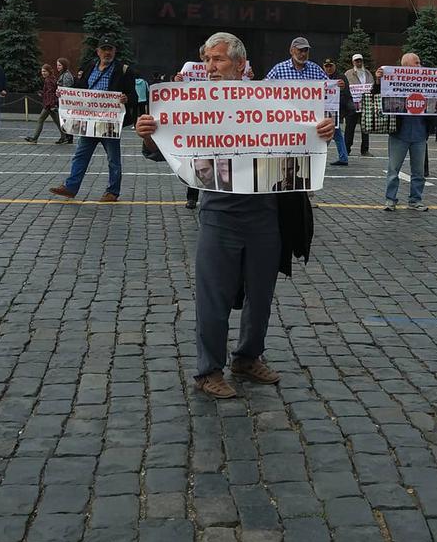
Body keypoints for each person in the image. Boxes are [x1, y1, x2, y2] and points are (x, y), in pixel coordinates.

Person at [135, 31, 334, 399]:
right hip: (218, 212)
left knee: (261, 293)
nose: (210, 67)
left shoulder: (271, 100)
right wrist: (148, 136)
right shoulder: (191, 102)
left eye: (218, 60)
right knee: (214, 295)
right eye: (207, 60)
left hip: (265, 212)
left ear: (240, 65)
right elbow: (161, 150)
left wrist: (323, 131)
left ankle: (247, 356)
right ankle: (208, 370)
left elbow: (306, 137)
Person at [49, 35, 137, 202]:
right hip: (89, 120)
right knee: (80, 155)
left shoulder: (124, 70)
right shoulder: (90, 66)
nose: (107, 53)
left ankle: (112, 191)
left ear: (114, 51)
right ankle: (71, 187)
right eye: (104, 49)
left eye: (110, 49)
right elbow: (81, 87)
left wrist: (126, 99)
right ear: (98, 52)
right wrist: (65, 92)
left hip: (110, 121)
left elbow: (134, 96)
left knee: (113, 159)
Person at [380, 52, 433, 211]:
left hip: (419, 132)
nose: (420, 65)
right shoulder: (395, 79)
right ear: (406, 66)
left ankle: (415, 200)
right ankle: (390, 199)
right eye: (416, 63)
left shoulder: (426, 81)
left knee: (418, 171)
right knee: (393, 169)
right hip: (399, 132)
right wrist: (379, 80)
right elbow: (380, 95)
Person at [321, 58, 352, 165]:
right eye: (326, 66)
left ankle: (320, 155)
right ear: (323, 67)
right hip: (325, 111)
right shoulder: (321, 77)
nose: (328, 68)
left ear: (334, 66)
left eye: (330, 66)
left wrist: (342, 89)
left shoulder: (341, 77)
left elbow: (346, 94)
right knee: (335, 134)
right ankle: (342, 157)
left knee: (331, 134)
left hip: (335, 111)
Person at [344, 53, 373, 156]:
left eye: (360, 60)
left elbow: (372, 87)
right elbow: (345, 89)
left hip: (365, 105)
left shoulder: (368, 73)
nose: (359, 62)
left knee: (366, 128)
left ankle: (365, 150)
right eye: (356, 61)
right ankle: (346, 149)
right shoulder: (348, 74)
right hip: (352, 105)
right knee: (349, 128)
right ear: (353, 62)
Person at [26, 63, 61, 142]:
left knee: (40, 120)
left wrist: (51, 105)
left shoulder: (48, 80)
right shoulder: (52, 79)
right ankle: (64, 136)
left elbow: (50, 93)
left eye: (45, 71)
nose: (43, 73)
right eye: (42, 71)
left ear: (49, 71)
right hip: (52, 104)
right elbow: (50, 92)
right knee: (57, 121)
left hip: (49, 105)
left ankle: (35, 138)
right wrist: (43, 93)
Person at [54, 57, 75, 144]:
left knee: (67, 119)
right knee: (65, 119)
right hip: (63, 101)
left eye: (60, 65)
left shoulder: (66, 75)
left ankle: (68, 137)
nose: (58, 67)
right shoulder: (63, 74)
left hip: (66, 102)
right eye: (57, 65)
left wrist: (60, 91)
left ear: (64, 65)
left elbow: (67, 89)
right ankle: (67, 137)